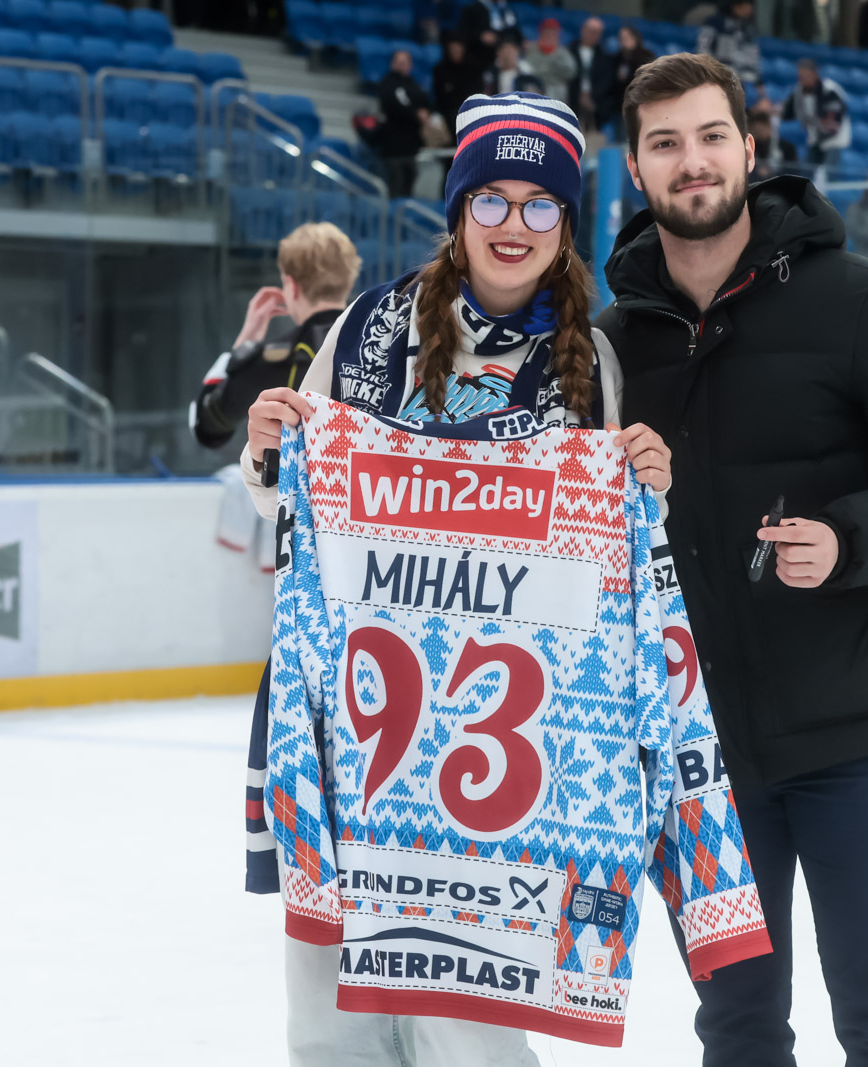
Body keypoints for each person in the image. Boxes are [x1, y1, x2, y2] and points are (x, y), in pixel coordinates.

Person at [238, 93, 673, 1067]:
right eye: (492, 199)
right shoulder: (363, 330)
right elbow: (289, 502)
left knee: (464, 1015)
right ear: (457, 208)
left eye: (540, 203)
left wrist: (648, 490)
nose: (514, 224)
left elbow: (600, 560)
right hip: (351, 717)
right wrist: (267, 450)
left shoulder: (589, 361)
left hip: (494, 743)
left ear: (566, 221)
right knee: (330, 1016)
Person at [601, 53, 868, 1066]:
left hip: (858, 735)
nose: (691, 161)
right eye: (664, 144)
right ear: (636, 169)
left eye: (710, 136)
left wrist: (850, 538)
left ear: (748, 147)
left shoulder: (866, 300)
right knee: (736, 1027)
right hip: (696, 760)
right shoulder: (605, 348)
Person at [190, 223, 360, 450]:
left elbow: (206, 427)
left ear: (291, 286)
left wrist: (245, 343)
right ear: (349, 283)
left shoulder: (275, 358)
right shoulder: (378, 346)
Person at [376, 49, 430, 198]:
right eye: (399, 62)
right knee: (396, 183)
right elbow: (393, 106)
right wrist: (415, 114)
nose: (402, 65)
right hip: (392, 146)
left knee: (409, 181)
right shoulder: (387, 84)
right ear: (392, 64)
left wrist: (425, 113)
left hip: (411, 145)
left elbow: (425, 103)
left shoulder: (414, 85)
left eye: (405, 62)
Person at [779, 57, 850, 168]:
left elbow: (834, 119)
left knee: (828, 172)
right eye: (801, 77)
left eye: (806, 76)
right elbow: (786, 112)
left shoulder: (830, 89)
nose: (804, 80)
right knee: (809, 171)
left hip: (833, 140)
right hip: (814, 139)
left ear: (815, 73)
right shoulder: (798, 92)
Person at [697, 0, 761, 92]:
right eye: (744, 6)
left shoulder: (748, 29)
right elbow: (703, 49)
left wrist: (760, 90)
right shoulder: (715, 23)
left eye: (750, 6)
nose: (748, 9)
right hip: (718, 76)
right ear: (734, 6)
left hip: (742, 80)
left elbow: (753, 60)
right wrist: (711, 73)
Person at [431, 30, 482, 144]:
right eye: (452, 47)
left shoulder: (474, 69)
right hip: (447, 116)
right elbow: (438, 98)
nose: (456, 50)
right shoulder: (439, 70)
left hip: (470, 114)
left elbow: (478, 96)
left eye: (458, 47)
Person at [569, 16, 616, 131]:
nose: (593, 35)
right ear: (583, 30)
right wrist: (579, 95)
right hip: (571, 101)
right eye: (591, 31)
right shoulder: (569, 51)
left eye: (597, 32)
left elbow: (606, 81)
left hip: (595, 105)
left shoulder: (604, 57)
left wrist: (591, 97)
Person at [612, 24, 655, 138]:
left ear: (634, 38)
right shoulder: (617, 58)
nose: (622, 42)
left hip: (640, 105)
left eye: (625, 38)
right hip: (619, 106)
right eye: (620, 38)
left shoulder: (646, 57)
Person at [525, 17, 574, 107]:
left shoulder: (563, 53)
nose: (549, 36)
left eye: (553, 33)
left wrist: (551, 67)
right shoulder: (531, 50)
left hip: (556, 95)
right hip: (534, 93)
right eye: (547, 32)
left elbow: (571, 72)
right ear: (541, 33)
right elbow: (526, 70)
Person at [456, 0, 520, 68]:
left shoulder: (506, 8)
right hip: (479, 56)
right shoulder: (472, 9)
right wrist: (480, 36)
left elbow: (514, 30)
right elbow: (463, 33)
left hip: (503, 53)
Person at [747, 109, 795, 178]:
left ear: (769, 128)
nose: (760, 135)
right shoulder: (751, 147)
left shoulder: (787, 147)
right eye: (756, 132)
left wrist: (770, 172)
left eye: (761, 131)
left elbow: (792, 171)